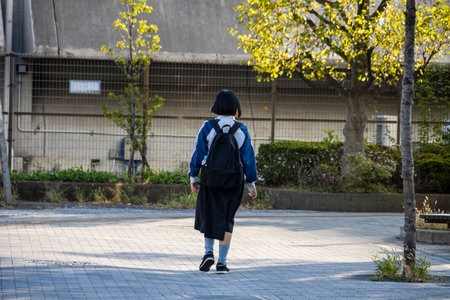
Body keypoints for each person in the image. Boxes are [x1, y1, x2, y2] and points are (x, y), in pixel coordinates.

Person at [189, 89, 258, 274]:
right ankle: (222, 263)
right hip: (233, 180)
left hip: (211, 178)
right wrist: (251, 183)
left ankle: (208, 253)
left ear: (216, 106)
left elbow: (199, 152)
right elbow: (248, 157)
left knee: (209, 214)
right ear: (236, 107)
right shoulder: (242, 129)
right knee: (227, 219)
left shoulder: (208, 126)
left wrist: (193, 176)